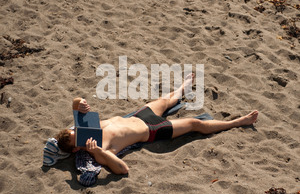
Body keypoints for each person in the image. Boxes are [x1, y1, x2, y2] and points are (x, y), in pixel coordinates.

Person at [56, 74, 258, 175]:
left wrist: (79, 103)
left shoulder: (86, 127)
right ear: (76, 150)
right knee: (195, 123)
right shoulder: (99, 149)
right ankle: (237, 122)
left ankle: (181, 89)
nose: (81, 132)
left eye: (76, 130)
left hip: (140, 115)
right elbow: (122, 170)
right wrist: (99, 153)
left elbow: (76, 104)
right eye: (78, 137)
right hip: (152, 131)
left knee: (168, 99)